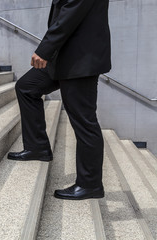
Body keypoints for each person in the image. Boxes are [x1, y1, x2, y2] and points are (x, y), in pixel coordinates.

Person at [7, 0, 111, 200]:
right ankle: (37, 147)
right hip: (64, 57)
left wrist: (45, 49)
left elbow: (69, 16)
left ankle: (90, 184)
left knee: (83, 120)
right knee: (27, 87)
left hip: (80, 60)